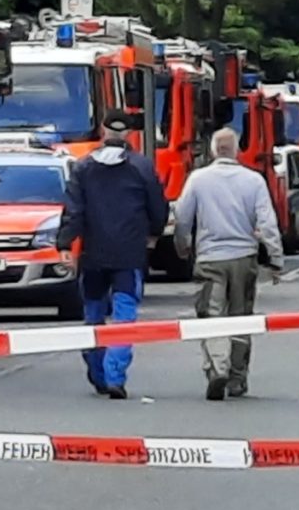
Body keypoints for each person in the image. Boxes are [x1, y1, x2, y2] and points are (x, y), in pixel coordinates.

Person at [59, 109, 170, 400]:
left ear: (103, 131)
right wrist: (154, 235)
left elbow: (73, 211)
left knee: (93, 316)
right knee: (124, 316)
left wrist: (64, 245)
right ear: (128, 134)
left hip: (93, 256)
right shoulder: (142, 167)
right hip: (129, 256)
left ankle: (97, 371)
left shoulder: (83, 168)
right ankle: (114, 375)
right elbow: (158, 207)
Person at [170, 126, 284, 400]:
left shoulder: (197, 179)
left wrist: (182, 245)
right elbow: (267, 222)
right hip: (244, 258)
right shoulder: (254, 180)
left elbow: (183, 218)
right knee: (241, 318)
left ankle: (217, 367)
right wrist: (276, 258)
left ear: (212, 151)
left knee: (211, 316)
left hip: (210, 258)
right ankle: (236, 377)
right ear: (236, 151)